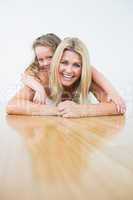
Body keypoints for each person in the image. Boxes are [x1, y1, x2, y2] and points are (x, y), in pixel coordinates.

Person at [6, 37, 126, 117]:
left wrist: (81, 110)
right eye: (64, 62)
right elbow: (11, 106)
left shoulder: (86, 78)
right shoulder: (42, 77)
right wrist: (57, 110)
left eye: (77, 65)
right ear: (57, 61)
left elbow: (117, 107)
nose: (69, 70)